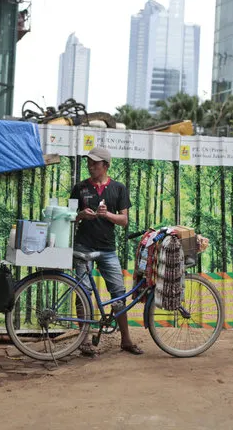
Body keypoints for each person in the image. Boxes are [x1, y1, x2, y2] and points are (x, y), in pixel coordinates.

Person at [70, 146, 143, 356]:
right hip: (83, 246)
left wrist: (106, 215)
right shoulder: (80, 188)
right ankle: (83, 341)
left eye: (95, 163)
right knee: (83, 292)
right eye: (89, 162)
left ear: (106, 166)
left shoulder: (119, 188)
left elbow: (124, 220)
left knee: (119, 293)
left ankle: (126, 339)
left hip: (108, 249)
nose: (91, 166)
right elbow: (68, 216)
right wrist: (82, 215)